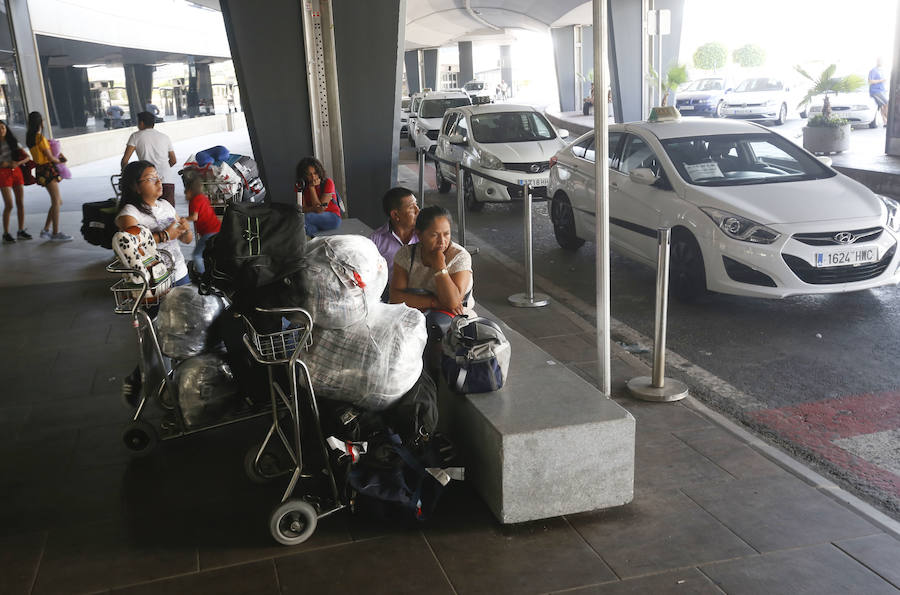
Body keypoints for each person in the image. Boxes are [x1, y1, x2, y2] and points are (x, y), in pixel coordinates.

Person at [115, 160, 193, 406]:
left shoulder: (166, 205)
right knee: (158, 337)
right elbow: (133, 243)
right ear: (136, 187)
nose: (159, 182)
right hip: (154, 284)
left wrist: (185, 230)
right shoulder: (129, 213)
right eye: (151, 179)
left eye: (158, 177)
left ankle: (180, 384)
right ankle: (143, 379)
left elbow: (187, 239)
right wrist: (165, 235)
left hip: (180, 273)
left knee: (184, 329)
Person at [390, 205, 474, 317]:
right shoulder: (406, 254)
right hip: (412, 316)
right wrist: (434, 302)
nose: (442, 241)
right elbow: (396, 297)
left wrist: (440, 266)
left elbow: (452, 303)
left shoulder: (459, 256)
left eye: (446, 234)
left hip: (453, 322)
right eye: (434, 235)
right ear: (419, 234)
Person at [26, 111, 71, 242]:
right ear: (40, 123)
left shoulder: (30, 137)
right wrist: (61, 161)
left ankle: (46, 230)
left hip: (41, 170)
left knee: (57, 201)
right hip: (47, 170)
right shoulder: (40, 138)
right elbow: (50, 157)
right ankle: (55, 232)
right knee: (56, 202)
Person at [121, 111, 177, 206]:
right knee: (169, 213)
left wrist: (126, 175)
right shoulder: (164, 137)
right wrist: (162, 168)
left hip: (147, 182)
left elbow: (125, 161)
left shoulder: (135, 136)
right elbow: (173, 160)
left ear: (141, 123)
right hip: (167, 180)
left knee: (149, 212)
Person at [370, 186, 419, 288]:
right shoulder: (375, 241)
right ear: (395, 214)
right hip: (390, 296)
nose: (417, 210)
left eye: (417, 205)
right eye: (411, 207)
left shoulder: (424, 235)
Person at [182, 171, 220, 275]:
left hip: (209, 231)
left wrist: (183, 219)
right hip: (217, 228)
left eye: (186, 191)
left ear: (190, 191)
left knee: (197, 255)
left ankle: (202, 275)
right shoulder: (202, 197)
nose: (185, 193)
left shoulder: (195, 201)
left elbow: (194, 217)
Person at [0, 120, 31, 243]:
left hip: (16, 172)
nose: (1, 130)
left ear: (6, 129)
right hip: (3, 173)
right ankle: (6, 233)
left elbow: (27, 157)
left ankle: (21, 231)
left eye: (3, 127)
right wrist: (6, 164)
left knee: (20, 203)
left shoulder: (13, 142)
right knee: (9, 204)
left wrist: (17, 163)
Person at [296, 156, 341, 236]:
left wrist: (311, 188)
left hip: (332, 217)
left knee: (304, 218)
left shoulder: (328, 183)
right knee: (302, 227)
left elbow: (319, 210)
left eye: (315, 173)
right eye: (309, 174)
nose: (313, 177)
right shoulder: (300, 185)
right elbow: (302, 209)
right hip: (312, 219)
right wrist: (314, 208)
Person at [869, 58, 889, 127]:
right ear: (877, 62)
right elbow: (871, 81)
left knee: (882, 106)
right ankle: (888, 120)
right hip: (876, 91)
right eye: (879, 61)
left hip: (882, 91)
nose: (881, 62)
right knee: (886, 103)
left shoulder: (882, 71)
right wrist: (881, 80)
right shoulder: (873, 71)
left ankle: (885, 122)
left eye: (882, 61)